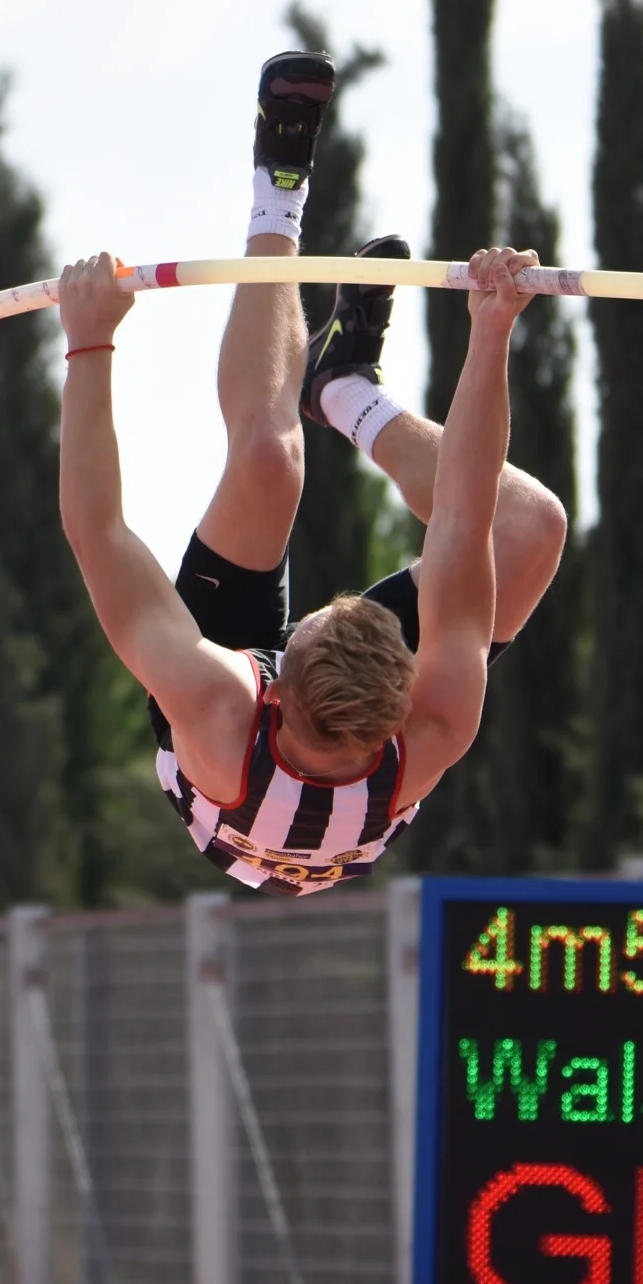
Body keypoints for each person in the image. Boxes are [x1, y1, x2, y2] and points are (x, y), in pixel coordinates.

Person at [57, 51, 568, 897]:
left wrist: (89, 344)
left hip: (234, 787)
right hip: (327, 768)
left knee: (267, 460)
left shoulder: (214, 705)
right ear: (402, 694)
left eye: (300, 633)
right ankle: (347, 394)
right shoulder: (438, 720)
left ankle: (276, 198)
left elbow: (95, 530)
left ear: (272, 678)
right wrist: (491, 329)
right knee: (529, 526)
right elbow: (465, 516)